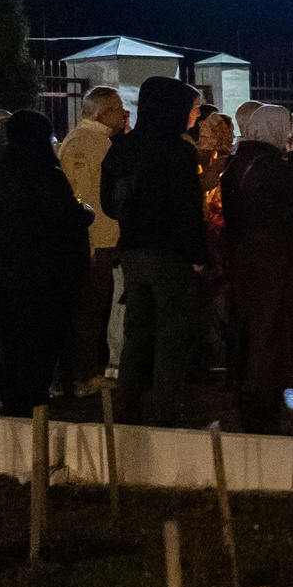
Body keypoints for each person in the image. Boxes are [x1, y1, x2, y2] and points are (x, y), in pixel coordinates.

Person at [101, 76, 210, 423]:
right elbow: (187, 209)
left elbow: (108, 203)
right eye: (188, 109)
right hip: (170, 254)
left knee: (138, 333)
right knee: (172, 336)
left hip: (133, 251)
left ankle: (128, 408)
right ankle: (165, 413)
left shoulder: (121, 148)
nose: (191, 117)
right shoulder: (177, 151)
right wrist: (197, 257)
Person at [0, 110, 91, 415]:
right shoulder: (45, 173)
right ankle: (34, 404)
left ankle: (13, 398)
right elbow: (68, 214)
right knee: (40, 341)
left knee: (14, 341)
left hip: (7, 271)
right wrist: (86, 209)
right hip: (45, 273)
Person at [223, 104, 293, 431]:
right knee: (272, 330)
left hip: (245, 254)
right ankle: (264, 403)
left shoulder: (238, 163)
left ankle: (249, 396)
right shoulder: (269, 164)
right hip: (274, 258)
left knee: (251, 329)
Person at [57, 86, 127, 394]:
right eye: (118, 107)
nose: (124, 113)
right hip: (99, 239)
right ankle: (82, 375)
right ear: (103, 112)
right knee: (90, 310)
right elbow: (81, 194)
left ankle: (83, 371)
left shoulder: (86, 141)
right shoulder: (91, 144)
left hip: (95, 237)